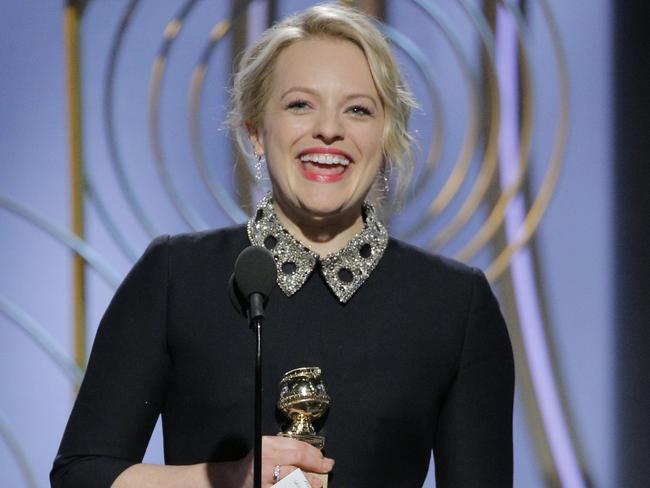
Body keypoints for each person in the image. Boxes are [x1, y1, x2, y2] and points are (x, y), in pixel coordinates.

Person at [51, 3, 514, 487]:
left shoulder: (453, 303)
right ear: (255, 130)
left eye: (358, 109)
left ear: (386, 135)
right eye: (300, 104)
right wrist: (226, 479)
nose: (329, 130)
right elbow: (80, 475)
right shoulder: (175, 275)